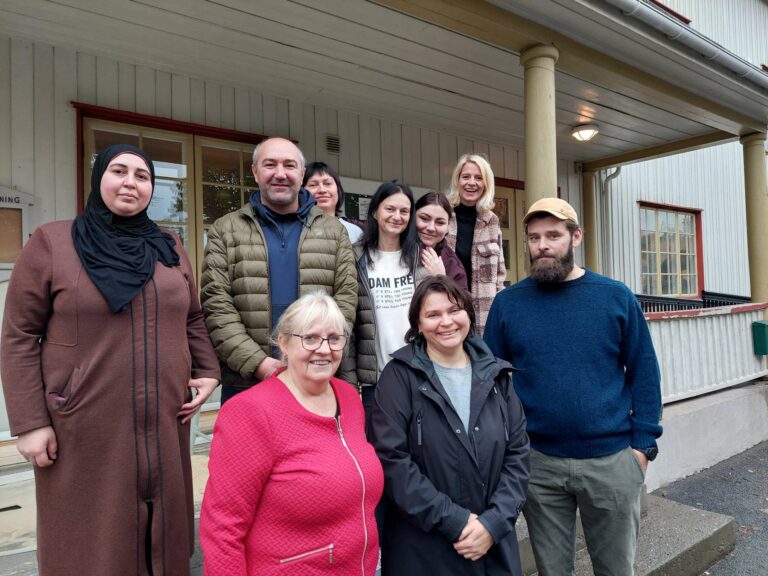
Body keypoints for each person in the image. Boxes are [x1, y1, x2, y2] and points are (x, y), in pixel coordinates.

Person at [0, 144, 220, 575]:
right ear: (99, 178)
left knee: (161, 534)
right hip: (83, 422)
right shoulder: (54, 242)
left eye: (142, 176)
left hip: (162, 418)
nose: (130, 182)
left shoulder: (167, 245)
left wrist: (207, 370)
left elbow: (192, 315)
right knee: (94, 536)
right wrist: (29, 423)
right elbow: (19, 335)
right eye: (119, 171)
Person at [484, 197, 663, 576]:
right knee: (553, 571)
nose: (542, 245)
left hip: (611, 460)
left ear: (575, 236)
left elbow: (644, 371)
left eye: (553, 235)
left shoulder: (614, 297)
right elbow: (491, 383)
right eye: (534, 238)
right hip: (539, 464)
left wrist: (642, 447)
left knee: (616, 569)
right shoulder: (508, 304)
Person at [200, 293, 383, 575]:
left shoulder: (348, 397)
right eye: (310, 338)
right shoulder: (250, 412)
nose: (324, 349)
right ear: (283, 342)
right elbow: (222, 527)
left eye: (335, 338)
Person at [371, 275, 530, 576]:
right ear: (417, 325)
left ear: (468, 315)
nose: (446, 321)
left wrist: (493, 523)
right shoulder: (399, 377)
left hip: (493, 545)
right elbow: (391, 460)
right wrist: (455, 521)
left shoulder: (496, 375)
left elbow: (519, 453)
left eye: (454, 310)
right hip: (425, 548)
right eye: (432, 314)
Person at [201, 137, 358, 403]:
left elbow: (346, 299)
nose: (280, 174)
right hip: (247, 382)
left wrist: (317, 354)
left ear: (301, 173)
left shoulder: (333, 232)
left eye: (289, 165)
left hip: (317, 379)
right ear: (255, 172)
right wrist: (259, 363)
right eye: (270, 164)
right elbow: (216, 305)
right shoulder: (224, 230)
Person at [353, 180, 426, 425]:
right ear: (375, 211)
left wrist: (439, 276)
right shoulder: (355, 257)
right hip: (375, 379)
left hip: (419, 373)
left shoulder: (422, 256)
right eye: (390, 209)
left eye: (404, 211)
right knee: (379, 450)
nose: (397, 216)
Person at [445, 153, 506, 335]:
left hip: (483, 314)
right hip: (448, 306)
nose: (472, 182)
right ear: (457, 181)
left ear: (486, 184)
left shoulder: (492, 221)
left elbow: (499, 276)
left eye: (479, 178)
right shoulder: (443, 215)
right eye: (466, 177)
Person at [414, 191, 467, 289]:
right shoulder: (395, 248)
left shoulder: (451, 262)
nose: (431, 228)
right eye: (424, 218)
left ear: (448, 226)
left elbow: (463, 302)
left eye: (440, 222)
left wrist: (442, 279)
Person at [303, 161, 364, 243]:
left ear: (338, 190)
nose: (322, 190)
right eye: (313, 185)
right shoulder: (294, 230)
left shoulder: (355, 232)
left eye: (327, 183)